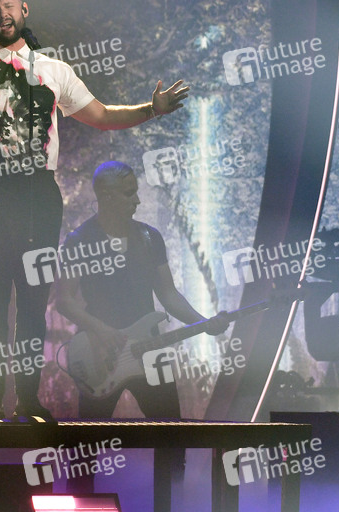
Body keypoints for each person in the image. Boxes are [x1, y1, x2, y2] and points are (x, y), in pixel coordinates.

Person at [0, 0, 192, 424]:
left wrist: (152, 109)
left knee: (33, 297)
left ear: (24, 10)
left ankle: (28, 400)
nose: (3, 13)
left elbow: (102, 116)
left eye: (9, 5)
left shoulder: (53, 70)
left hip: (38, 193)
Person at [56, 161, 229, 494]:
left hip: (150, 350)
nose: (137, 200)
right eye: (129, 193)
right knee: (85, 447)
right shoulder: (79, 240)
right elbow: (64, 300)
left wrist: (204, 323)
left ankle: (173, 501)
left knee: (172, 436)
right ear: (106, 196)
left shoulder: (150, 238)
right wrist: (101, 330)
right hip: (100, 353)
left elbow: (168, 294)